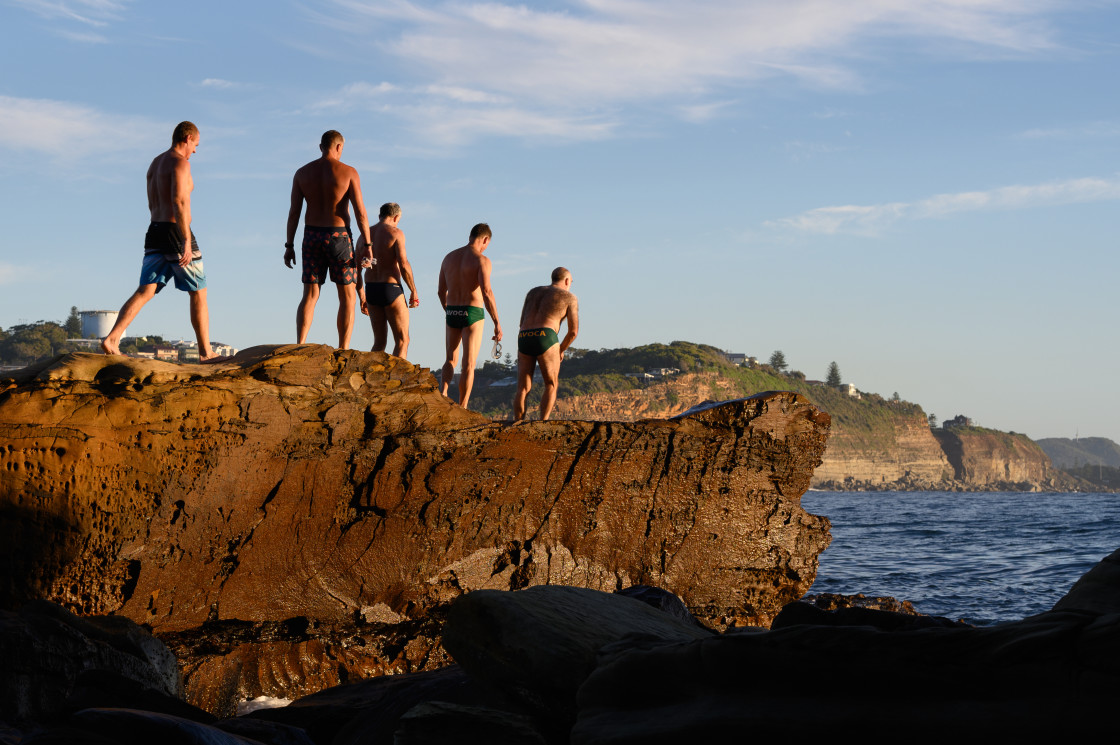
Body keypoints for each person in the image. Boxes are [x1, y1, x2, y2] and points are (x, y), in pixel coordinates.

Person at [101, 121, 217, 360]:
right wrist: (185, 239)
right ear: (187, 138)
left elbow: (151, 202)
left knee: (146, 290)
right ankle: (206, 353)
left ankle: (112, 338)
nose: (195, 150)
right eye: (196, 144)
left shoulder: (155, 163)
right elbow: (179, 202)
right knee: (199, 292)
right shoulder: (180, 163)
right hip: (175, 231)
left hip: (155, 229)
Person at [284, 130, 373, 350]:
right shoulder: (349, 172)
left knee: (310, 294)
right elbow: (361, 212)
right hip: (339, 236)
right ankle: (343, 349)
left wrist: (289, 245)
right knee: (347, 296)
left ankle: (300, 344)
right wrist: (368, 245)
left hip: (311, 235)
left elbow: (294, 212)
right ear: (339, 147)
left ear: (320, 146)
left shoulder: (302, 173)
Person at [437, 223, 501, 410]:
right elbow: (487, 291)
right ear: (485, 240)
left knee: (450, 358)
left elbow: (441, 291)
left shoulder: (449, 258)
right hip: (472, 312)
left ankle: (444, 393)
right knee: (468, 363)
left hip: (452, 311)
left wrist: (448, 310)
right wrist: (497, 322)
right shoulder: (482, 260)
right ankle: (463, 406)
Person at [513, 267, 579, 421]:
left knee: (523, 387)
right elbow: (573, 332)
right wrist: (561, 349)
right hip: (546, 336)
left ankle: (517, 423)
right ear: (567, 281)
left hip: (524, 336)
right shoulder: (569, 297)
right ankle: (543, 422)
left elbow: (521, 322)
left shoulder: (533, 292)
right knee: (551, 383)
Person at [357, 202, 418, 358]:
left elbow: (356, 268)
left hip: (371, 289)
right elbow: (403, 264)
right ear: (396, 217)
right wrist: (413, 290)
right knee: (402, 341)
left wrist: (362, 295)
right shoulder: (395, 233)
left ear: (380, 216)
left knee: (379, 342)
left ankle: (372, 380)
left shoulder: (364, 236)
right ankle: (398, 380)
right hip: (390, 288)